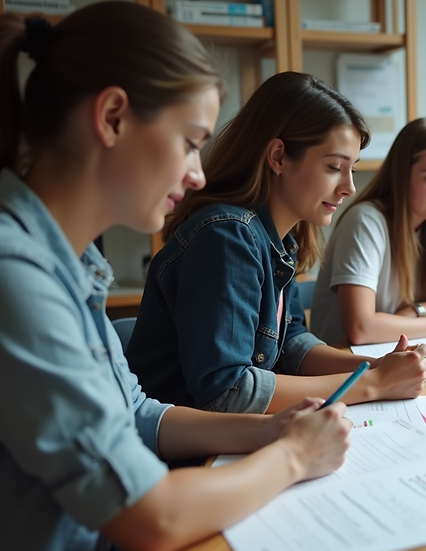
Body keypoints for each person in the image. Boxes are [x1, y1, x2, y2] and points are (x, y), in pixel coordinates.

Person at [0, 5, 353, 550]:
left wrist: (269, 429)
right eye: (190, 142)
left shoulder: (74, 266)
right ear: (113, 117)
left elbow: (138, 413)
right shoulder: (17, 276)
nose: (198, 173)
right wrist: (295, 455)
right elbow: (152, 520)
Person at [126, 72, 426, 415]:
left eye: (352, 171)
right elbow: (227, 392)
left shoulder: (279, 238)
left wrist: (374, 368)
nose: (348, 188)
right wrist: (372, 385)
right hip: (190, 455)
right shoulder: (226, 236)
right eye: (334, 167)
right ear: (278, 157)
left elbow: (292, 344)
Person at [309, 118, 426, 345]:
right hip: (343, 367)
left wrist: (417, 310)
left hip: (390, 361)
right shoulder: (366, 222)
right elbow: (361, 328)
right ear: (401, 175)